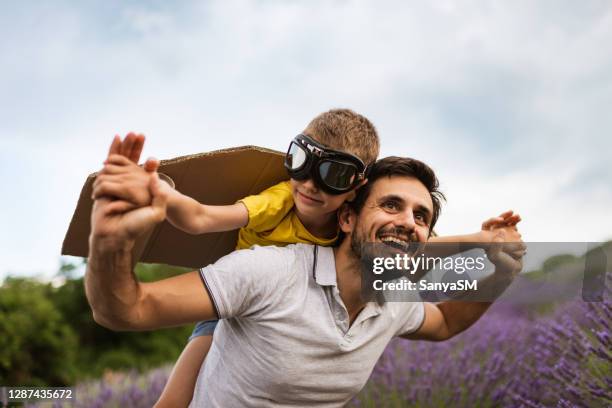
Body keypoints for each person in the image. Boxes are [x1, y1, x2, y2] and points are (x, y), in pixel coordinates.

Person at [94, 110, 519, 407]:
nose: (408, 222)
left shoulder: (391, 295)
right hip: (234, 299)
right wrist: (120, 234)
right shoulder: (270, 263)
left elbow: (445, 321)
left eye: (420, 216)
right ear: (349, 216)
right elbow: (129, 308)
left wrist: (496, 269)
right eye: (391, 205)